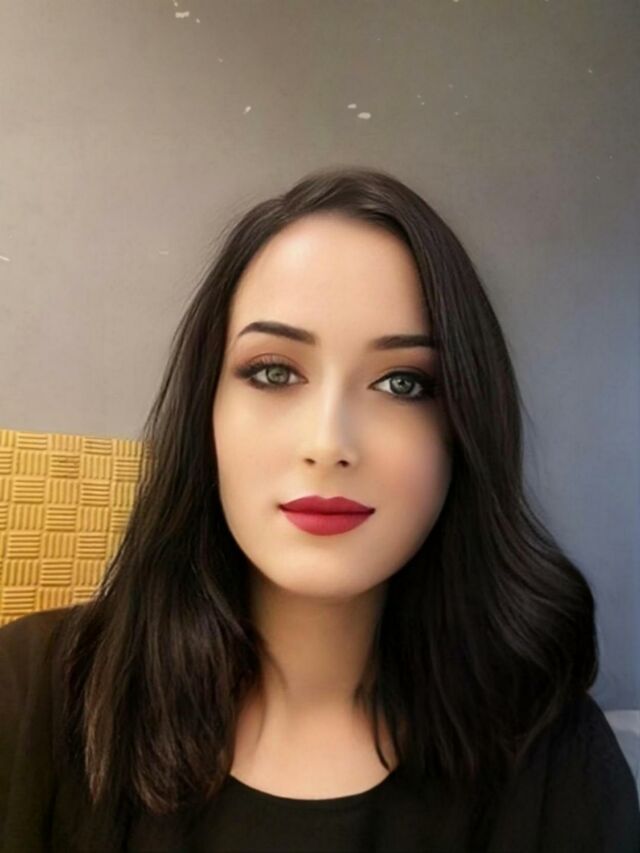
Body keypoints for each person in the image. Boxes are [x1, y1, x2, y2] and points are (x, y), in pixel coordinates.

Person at [1, 166, 638, 852]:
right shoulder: (32, 695)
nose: (328, 443)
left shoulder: (556, 764)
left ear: (464, 431)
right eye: (274, 372)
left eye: (402, 383)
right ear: (206, 412)